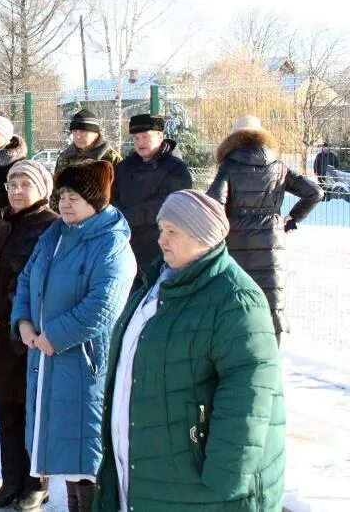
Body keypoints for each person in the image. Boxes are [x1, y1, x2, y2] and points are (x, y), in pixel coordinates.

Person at [94, 190, 285, 511]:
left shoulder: (235, 299)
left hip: (201, 483)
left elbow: (249, 393)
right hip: (154, 470)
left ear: (202, 236)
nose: (161, 240)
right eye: (161, 229)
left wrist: (226, 476)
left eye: (172, 232)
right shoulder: (159, 282)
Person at [12, 160, 135, 512]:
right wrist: (23, 322)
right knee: (64, 454)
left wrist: (55, 335)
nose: (65, 203)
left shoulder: (110, 243)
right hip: (46, 360)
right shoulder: (54, 235)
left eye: (75, 196)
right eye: (62, 195)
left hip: (84, 364)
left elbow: (103, 305)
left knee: (87, 456)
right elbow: (26, 280)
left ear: (95, 200)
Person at [0, 160, 59, 509]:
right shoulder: (3, 224)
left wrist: (1, 312)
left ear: (42, 189)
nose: (17, 191)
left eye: (25, 184)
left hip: (26, 337)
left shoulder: (49, 227)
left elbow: (33, 283)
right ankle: (10, 482)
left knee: (31, 414)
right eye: (12, 184)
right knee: (6, 413)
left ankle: (36, 483)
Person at [207, 115, 322, 345]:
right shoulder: (278, 167)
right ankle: (271, 359)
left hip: (235, 243)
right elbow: (315, 192)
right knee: (271, 302)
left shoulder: (228, 166)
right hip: (272, 243)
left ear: (234, 139)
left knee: (236, 299)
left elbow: (214, 203)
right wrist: (291, 219)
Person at [110, 113, 193, 277]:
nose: (140, 142)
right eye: (136, 138)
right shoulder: (124, 167)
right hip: (126, 243)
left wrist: (129, 217)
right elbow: (112, 197)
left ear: (160, 136)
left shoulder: (176, 169)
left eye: (146, 137)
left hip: (160, 246)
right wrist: (118, 217)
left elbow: (167, 204)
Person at [50, 109, 121, 210]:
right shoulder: (64, 158)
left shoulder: (111, 158)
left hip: (99, 219)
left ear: (96, 133)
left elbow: (118, 194)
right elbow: (56, 191)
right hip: (68, 216)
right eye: (74, 131)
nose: (78, 136)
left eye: (83, 131)